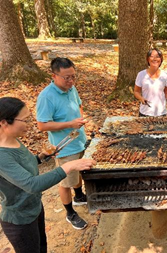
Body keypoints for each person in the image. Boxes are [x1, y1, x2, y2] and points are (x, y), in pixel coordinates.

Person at [0, 97, 96, 253]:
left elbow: (25, 164)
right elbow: (32, 184)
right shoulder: (2, 156)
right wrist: (69, 166)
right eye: (24, 120)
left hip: (35, 208)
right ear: (4, 122)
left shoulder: (14, 140)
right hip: (19, 220)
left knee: (42, 247)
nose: (29, 125)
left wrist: (41, 157)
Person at [36, 57, 89, 230]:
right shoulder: (46, 97)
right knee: (66, 181)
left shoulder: (71, 88)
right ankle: (70, 213)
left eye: (73, 76)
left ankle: (79, 196)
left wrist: (80, 119)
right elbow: (42, 125)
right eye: (67, 77)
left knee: (79, 172)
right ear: (54, 76)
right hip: (65, 147)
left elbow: (79, 105)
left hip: (80, 140)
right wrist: (69, 124)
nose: (71, 81)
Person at [134, 48, 167, 117]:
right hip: (145, 113)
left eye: (157, 57)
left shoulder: (165, 75)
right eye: (152, 56)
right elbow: (136, 92)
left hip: (161, 113)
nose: (154, 59)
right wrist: (141, 98)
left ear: (161, 60)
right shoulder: (141, 74)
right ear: (148, 59)